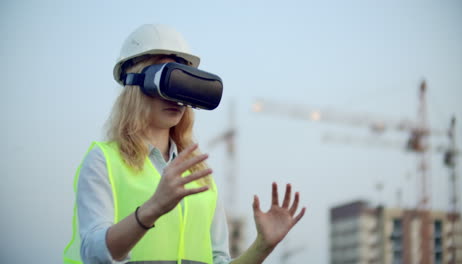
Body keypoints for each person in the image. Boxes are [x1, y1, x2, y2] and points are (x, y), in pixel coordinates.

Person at [63, 23, 306, 264]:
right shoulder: (104, 160)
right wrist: (153, 208)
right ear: (135, 83)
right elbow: (93, 253)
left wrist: (262, 247)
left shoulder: (199, 173)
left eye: (184, 83)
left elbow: (218, 260)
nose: (177, 97)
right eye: (167, 80)